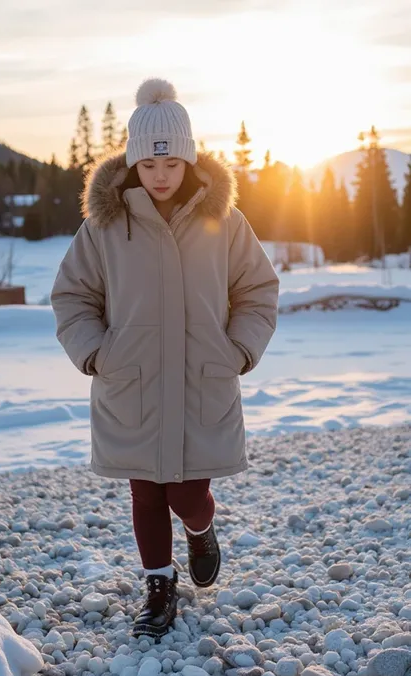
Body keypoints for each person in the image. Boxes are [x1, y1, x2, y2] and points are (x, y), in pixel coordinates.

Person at [51, 78, 279, 638]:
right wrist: (96, 354)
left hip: (203, 379)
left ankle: (202, 529)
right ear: (132, 163)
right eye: (150, 166)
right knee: (146, 491)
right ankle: (158, 587)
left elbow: (258, 290)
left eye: (172, 164)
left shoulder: (223, 221)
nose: (160, 176)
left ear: (188, 161)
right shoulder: (105, 225)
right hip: (130, 382)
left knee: (186, 493)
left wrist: (239, 349)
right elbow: (73, 296)